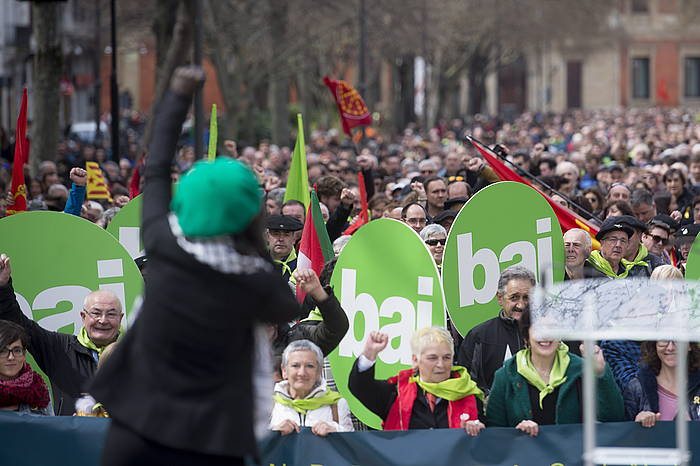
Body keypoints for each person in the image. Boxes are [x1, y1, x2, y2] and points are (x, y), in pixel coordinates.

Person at [89, 67, 299, 466]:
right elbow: (286, 305)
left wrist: (177, 95)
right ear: (250, 216)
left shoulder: (162, 244)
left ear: (185, 202)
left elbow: (154, 169)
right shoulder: (256, 283)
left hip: (135, 433)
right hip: (212, 441)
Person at [0, 257, 123, 415]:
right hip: (70, 438)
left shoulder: (135, 354)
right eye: (96, 313)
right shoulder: (60, 348)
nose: (103, 320)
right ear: (83, 316)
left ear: (120, 318)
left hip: (122, 438)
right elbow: (18, 323)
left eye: (111, 314)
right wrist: (3, 287)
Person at [486, 309, 624, 435]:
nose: (546, 335)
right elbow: (494, 433)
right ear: (526, 334)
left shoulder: (581, 369)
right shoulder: (505, 376)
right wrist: (517, 433)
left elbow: (614, 419)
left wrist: (600, 373)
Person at [348, 327, 485, 435]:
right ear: (415, 360)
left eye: (446, 357)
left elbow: (487, 444)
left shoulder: (469, 393)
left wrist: (478, 432)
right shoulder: (396, 392)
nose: (441, 364)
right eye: (432, 358)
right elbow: (359, 387)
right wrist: (369, 353)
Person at [457, 266, 535, 392]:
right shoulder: (479, 336)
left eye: (526, 297)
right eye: (514, 297)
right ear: (500, 298)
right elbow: (465, 386)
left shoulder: (546, 335)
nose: (521, 305)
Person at [270, 340, 353, 436]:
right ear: (284, 371)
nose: (302, 373)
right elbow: (257, 444)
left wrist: (336, 431)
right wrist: (274, 433)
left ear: (319, 372)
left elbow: (351, 446)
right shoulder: (269, 405)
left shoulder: (337, 404)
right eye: (295, 366)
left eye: (309, 366)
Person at [623, 341, 700, 426]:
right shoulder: (637, 387)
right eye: (664, 340)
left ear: (690, 346)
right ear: (655, 345)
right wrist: (636, 424)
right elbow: (623, 434)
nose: (670, 348)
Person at [0, 320, 51, 415]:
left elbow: (51, 428)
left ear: (24, 354)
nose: (11, 357)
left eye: (17, 350)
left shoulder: (39, 390)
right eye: (3, 351)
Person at [266, 214, 304, 282]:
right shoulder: (258, 265)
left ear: (294, 239)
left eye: (286, 235)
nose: (281, 239)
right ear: (267, 237)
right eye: (276, 234)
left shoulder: (302, 266)